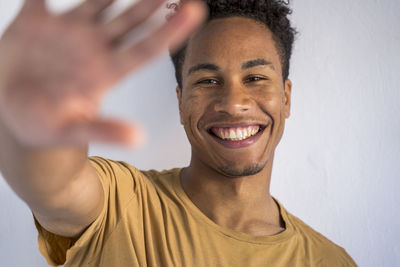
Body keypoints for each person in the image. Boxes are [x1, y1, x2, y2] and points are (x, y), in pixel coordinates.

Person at [0, 0, 357, 266]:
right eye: (207, 80)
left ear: (286, 97)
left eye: (255, 78)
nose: (233, 103)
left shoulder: (331, 261)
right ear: (181, 101)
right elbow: (54, 188)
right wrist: (27, 132)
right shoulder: (122, 205)